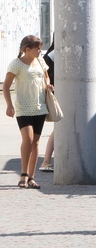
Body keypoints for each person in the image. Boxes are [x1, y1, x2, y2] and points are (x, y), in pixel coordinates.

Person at [3, 35, 50, 189]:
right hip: (23, 107)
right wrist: (9, 105)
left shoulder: (41, 61)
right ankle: (23, 174)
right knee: (28, 139)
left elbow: (46, 78)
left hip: (40, 107)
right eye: (37, 48)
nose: (39, 51)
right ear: (27, 49)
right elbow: (6, 86)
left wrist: (48, 85)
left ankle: (31, 177)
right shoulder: (16, 64)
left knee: (36, 142)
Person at [39, 36, 55, 172]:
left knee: (60, 128)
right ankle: (46, 161)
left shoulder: (51, 53)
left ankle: (47, 161)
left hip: (56, 93)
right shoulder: (56, 53)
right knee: (61, 127)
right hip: (57, 94)